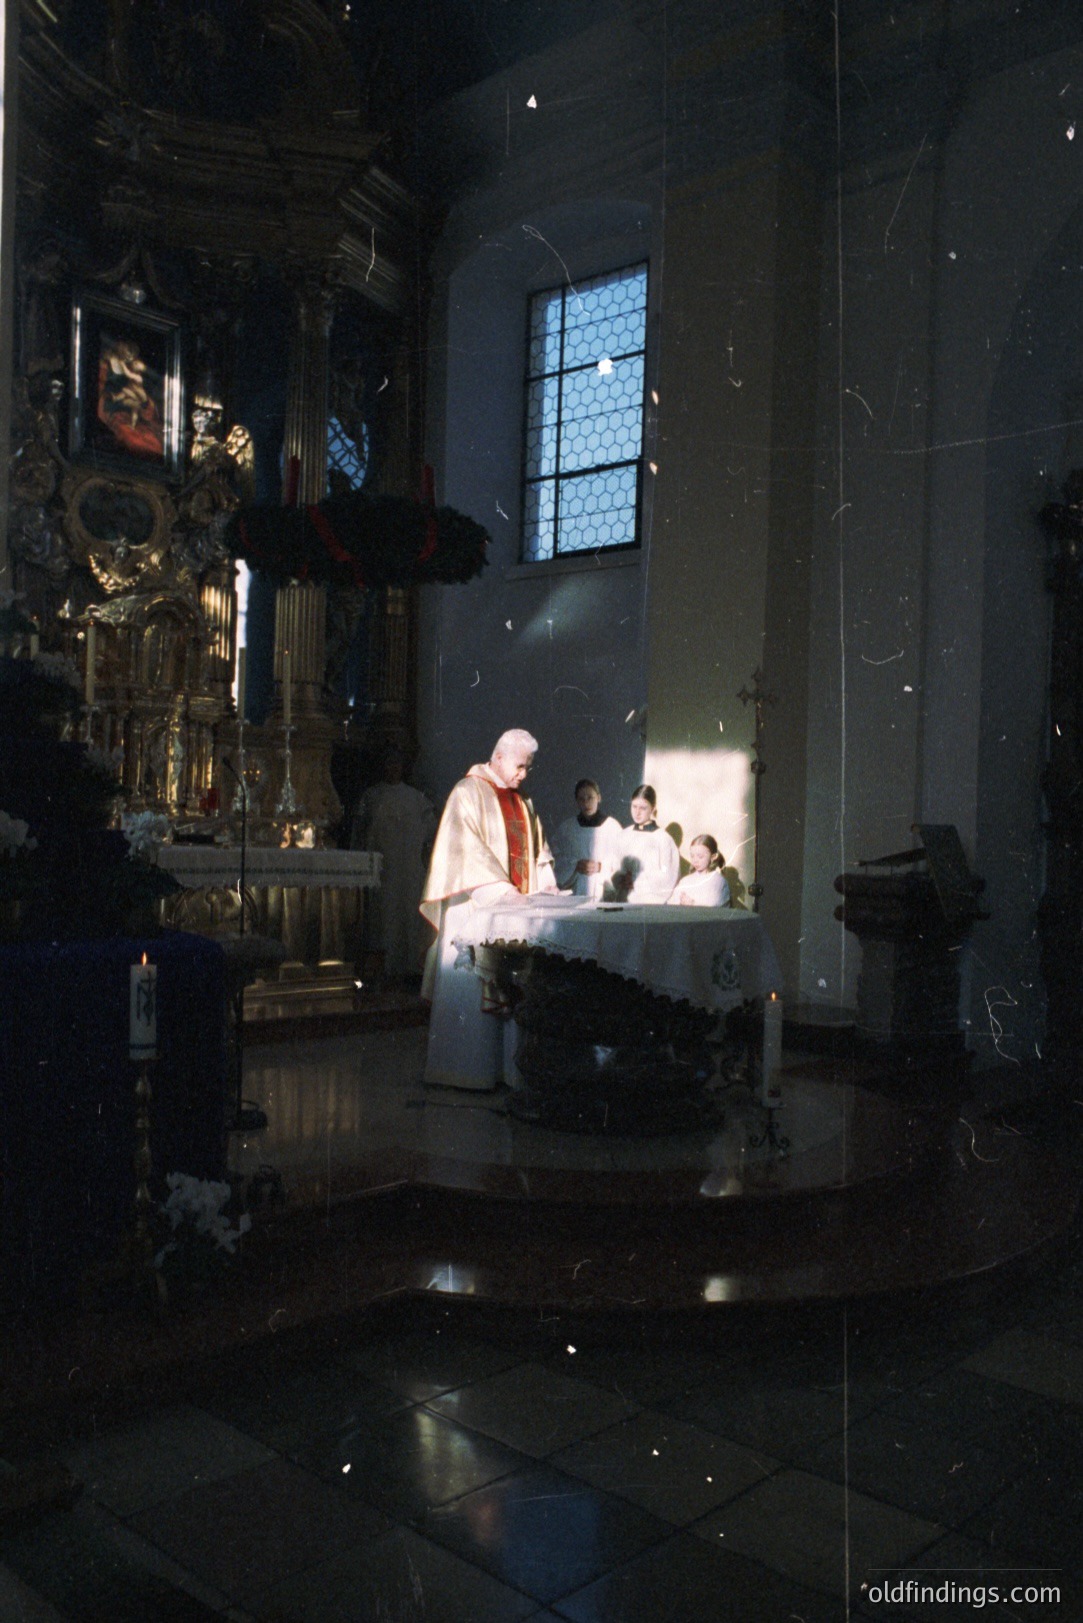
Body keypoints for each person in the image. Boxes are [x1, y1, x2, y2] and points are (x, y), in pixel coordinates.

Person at [420, 728, 557, 1088]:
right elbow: (465, 849)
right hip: (475, 906)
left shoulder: (522, 801)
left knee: (513, 984)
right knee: (472, 989)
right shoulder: (467, 792)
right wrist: (501, 890)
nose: (524, 774)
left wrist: (546, 883)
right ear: (498, 757)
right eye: (520, 766)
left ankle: (509, 1073)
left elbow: (537, 850)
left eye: (528, 768)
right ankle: (469, 1073)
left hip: (516, 910)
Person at [352, 747, 436, 979]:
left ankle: (409, 968)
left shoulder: (416, 798)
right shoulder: (372, 797)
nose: (393, 768)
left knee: (407, 918)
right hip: (382, 871)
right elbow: (360, 833)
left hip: (408, 871)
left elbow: (431, 832)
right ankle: (382, 969)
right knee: (383, 919)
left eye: (396, 764)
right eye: (389, 764)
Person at [551, 778, 622, 899]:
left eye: (590, 797)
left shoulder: (612, 827)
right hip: (576, 891)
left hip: (605, 892)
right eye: (581, 799)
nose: (586, 803)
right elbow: (556, 859)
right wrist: (574, 866)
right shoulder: (567, 828)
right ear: (576, 801)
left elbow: (621, 860)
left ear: (599, 798)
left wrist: (601, 866)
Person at [610, 784, 680, 903]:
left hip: (649, 902)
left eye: (643, 808)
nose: (637, 812)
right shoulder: (623, 835)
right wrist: (620, 878)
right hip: (622, 898)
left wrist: (636, 881)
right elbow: (613, 866)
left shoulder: (663, 839)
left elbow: (668, 878)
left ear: (653, 809)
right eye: (634, 806)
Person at [669, 833, 731, 906]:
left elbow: (713, 910)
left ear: (713, 856)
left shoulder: (719, 881)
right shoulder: (685, 881)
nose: (695, 860)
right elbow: (671, 904)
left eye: (700, 856)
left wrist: (692, 904)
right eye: (692, 856)